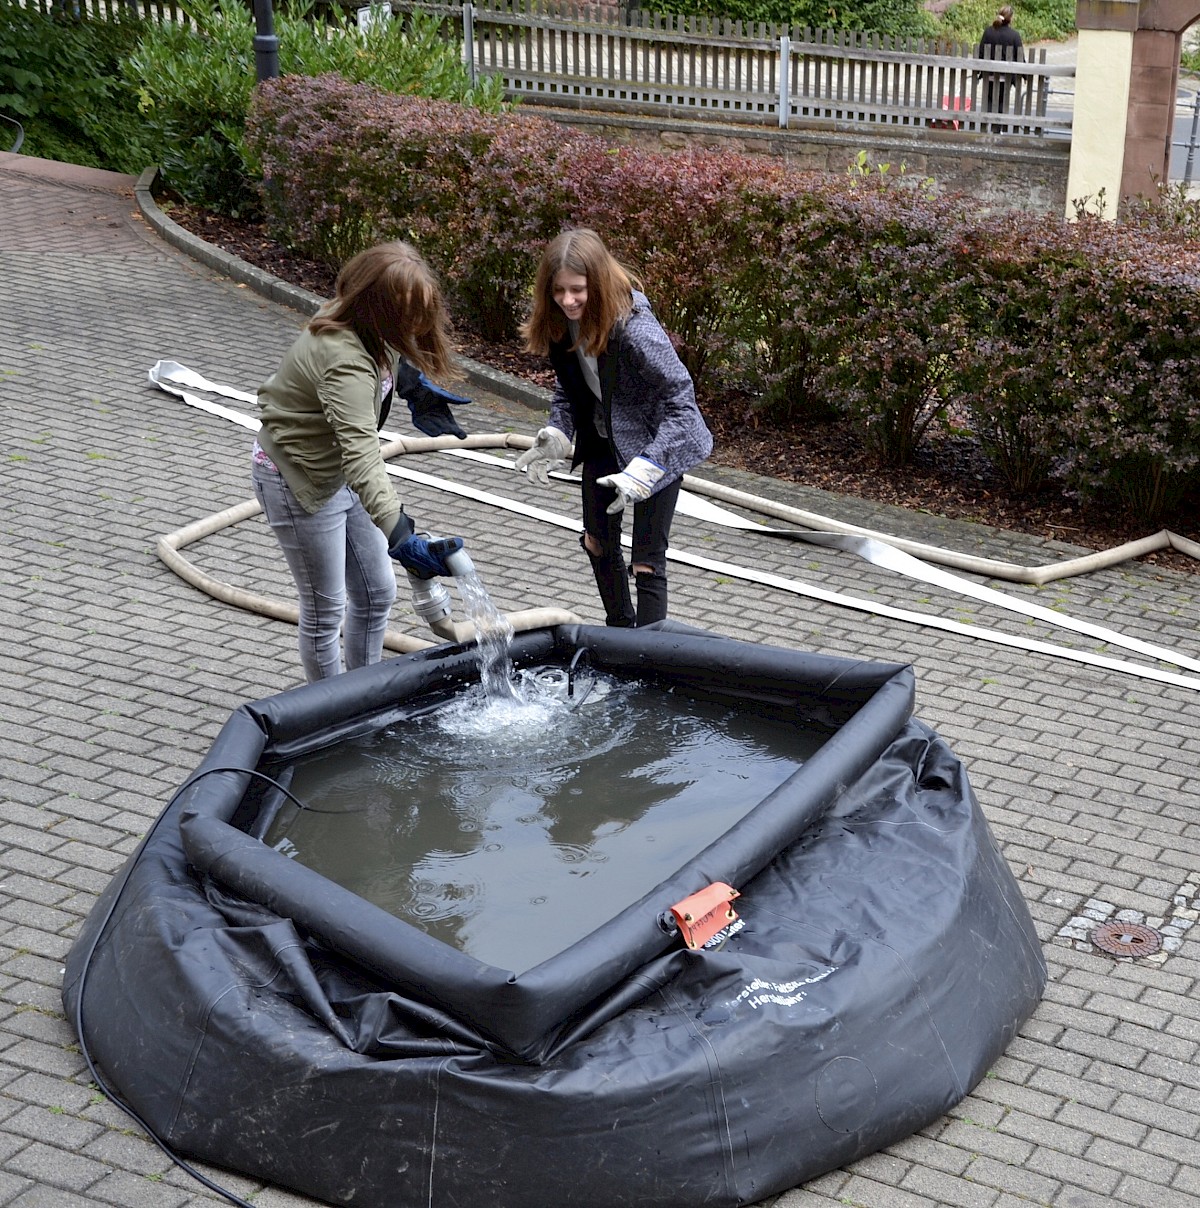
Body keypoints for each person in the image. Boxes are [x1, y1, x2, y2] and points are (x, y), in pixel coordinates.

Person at [253, 240, 470, 682]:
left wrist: (412, 384)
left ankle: (363, 693)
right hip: (301, 478)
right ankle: (329, 711)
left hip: (341, 472)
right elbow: (362, 457)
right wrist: (401, 535)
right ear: (376, 306)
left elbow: (386, 350)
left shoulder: (363, 321)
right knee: (325, 607)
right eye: (405, 316)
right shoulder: (344, 360)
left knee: (376, 593)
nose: (413, 326)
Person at [516, 228, 712, 628]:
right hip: (604, 442)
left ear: (599, 283)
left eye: (577, 289)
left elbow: (683, 404)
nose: (567, 300)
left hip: (657, 444)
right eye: (558, 290)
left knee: (646, 561)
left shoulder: (635, 329)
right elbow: (570, 390)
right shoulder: (560, 323)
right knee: (597, 542)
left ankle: (649, 652)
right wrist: (557, 433)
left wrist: (648, 467)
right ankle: (620, 633)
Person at [977, 5, 1024, 127]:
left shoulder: (988, 32)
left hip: (989, 75)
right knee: (1002, 102)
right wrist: (1025, 76)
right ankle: (998, 129)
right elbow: (1020, 57)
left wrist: (978, 71)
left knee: (989, 101)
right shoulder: (1014, 35)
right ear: (1011, 18)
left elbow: (981, 53)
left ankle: (986, 125)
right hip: (1006, 77)